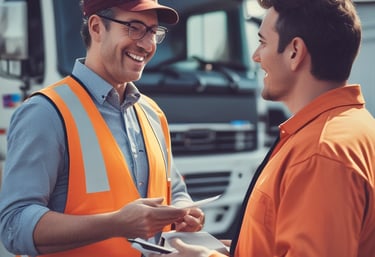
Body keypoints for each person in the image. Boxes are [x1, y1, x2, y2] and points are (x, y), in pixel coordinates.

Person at [155, 0, 375, 256]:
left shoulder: (320, 153)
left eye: (263, 42)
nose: (256, 56)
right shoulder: (353, 128)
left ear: (295, 52)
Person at [0, 0, 205, 256]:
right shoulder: (45, 113)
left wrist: (185, 211)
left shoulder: (153, 113)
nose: (147, 44)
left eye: (153, 31)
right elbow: (14, 226)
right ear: (96, 28)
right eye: (135, 27)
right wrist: (115, 224)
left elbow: (173, 189)